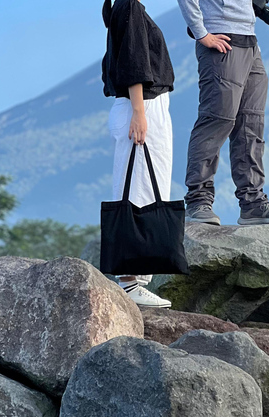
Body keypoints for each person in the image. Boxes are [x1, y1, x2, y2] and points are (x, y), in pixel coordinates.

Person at [176, 0, 269, 226]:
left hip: (249, 41)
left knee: (251, 124)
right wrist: (202, 33)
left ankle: (253, 204)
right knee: (217, 120)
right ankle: (198, 201)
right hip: (220, 40)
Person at [102, 0, 174, 308]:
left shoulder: (124, 6)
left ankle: (134, 278)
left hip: (142, 105)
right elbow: (134, 63)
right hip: (142, 105)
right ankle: (131, 281)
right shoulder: (129, 5)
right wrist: (139, 111)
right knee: (139, 188)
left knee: (140, 184)